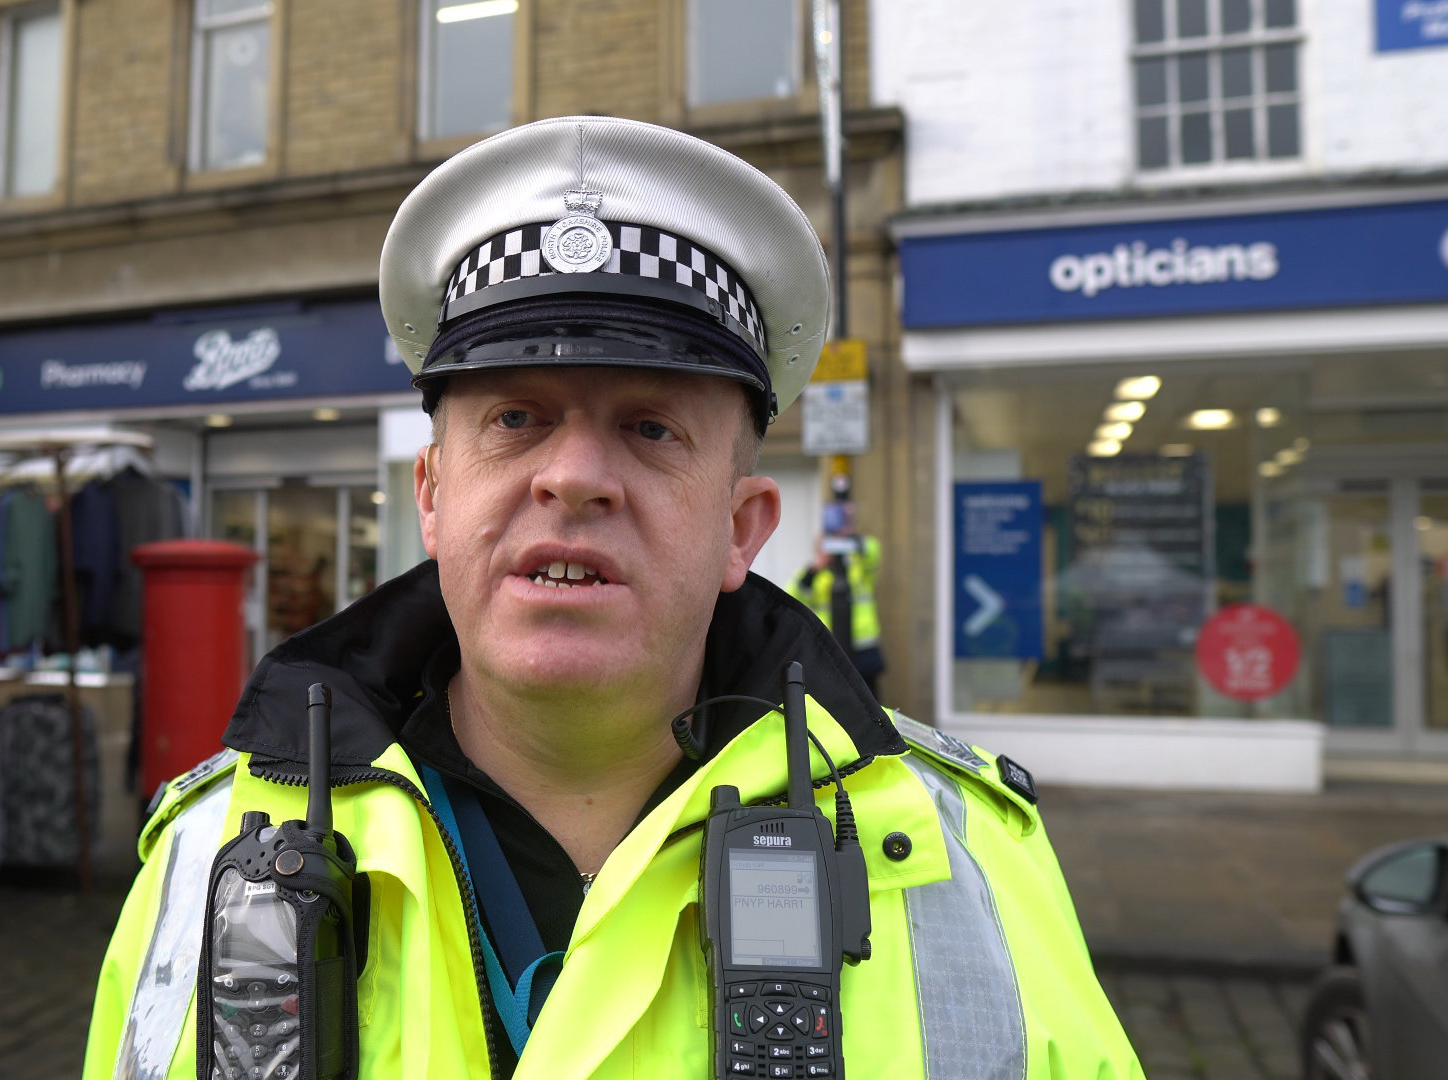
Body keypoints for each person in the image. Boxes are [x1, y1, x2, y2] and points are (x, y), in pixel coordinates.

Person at [84, 116, 1139, 1079]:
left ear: (742, 528)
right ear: (434, 497)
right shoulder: (207, 850)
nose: (574, 474)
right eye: (516, 419)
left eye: (650, 427)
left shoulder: (974, 860)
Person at [791, 476, 886, 701]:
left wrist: (850, 533)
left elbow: (873, 551)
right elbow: (794, 593)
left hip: (863, 648)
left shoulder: (858, 565)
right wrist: (816, 567)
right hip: (832, 649)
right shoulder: (814, 573)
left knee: (872, 703)